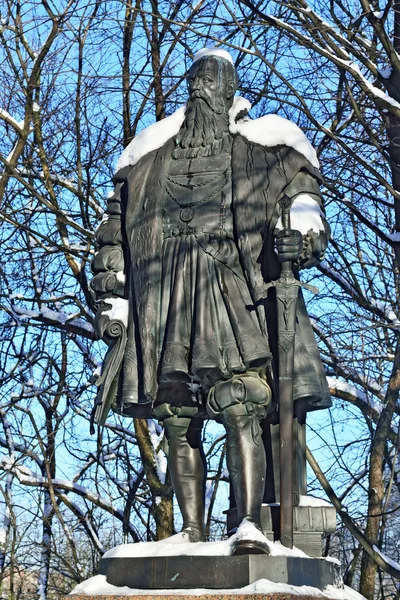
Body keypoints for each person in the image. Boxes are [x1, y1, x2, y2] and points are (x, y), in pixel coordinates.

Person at [90, 47, 331, 554]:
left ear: (229, 92)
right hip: (165, 297)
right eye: (196, 82)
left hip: (229, 291)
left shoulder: (267, 151)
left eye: (214, 83)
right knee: (176, 412)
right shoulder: (146, 161)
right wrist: (112, 287)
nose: (203, 90)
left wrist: (302, 237)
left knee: (240, 400)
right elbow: (112, 234)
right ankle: (191, 531)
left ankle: (248, 524)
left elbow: (305, 204)